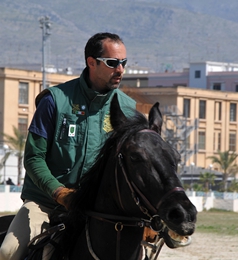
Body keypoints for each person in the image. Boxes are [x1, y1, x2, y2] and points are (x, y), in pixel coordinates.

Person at [0, 32, 136, 260]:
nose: (120, 70)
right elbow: (34, 158)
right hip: (45, 203)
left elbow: (132, 168)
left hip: (98, 210)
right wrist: (60, 193)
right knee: (8, 251)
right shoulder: (54, 100)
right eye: (112, 63)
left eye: (123, 63)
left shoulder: (128, 109)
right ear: (91, 62)